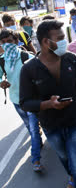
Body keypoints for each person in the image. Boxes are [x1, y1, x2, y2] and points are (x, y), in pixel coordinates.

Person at [19, 20, 76, 188]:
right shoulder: (29, 69)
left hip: (75, 123)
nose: (65, 41)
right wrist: (48, 104)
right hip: (51, 126)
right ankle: (71, 175)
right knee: (65, 158)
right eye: (60, 38)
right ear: (45, 42)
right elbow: (25, 103)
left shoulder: (71, 59)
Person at [0, 29, 42, 172]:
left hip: (31, 99)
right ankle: (38, 141)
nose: (7, 44)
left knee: (34, 130)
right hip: (16, 99)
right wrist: (1, 81)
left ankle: (35, 158)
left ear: (16, 41)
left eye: (9, 41)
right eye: (3, 42)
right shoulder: (2, 60)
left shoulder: (26, 56)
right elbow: (0, 76)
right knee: (30, 127)